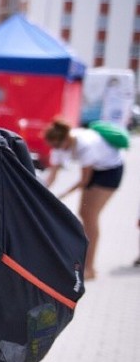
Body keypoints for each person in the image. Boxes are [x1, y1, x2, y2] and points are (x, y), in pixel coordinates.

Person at [43, 118, 125, 281]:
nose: (56, 150)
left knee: (90, 215)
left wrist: (61, 196)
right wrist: (41, 192)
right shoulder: (59, 144)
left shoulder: (84, 145)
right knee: (84, 213)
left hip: (110, 170)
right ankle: (86, 265)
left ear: (66, 139)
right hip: (96, 169)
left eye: (58, 146)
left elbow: (84, 180)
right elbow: (52, 176)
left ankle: (90, 268)